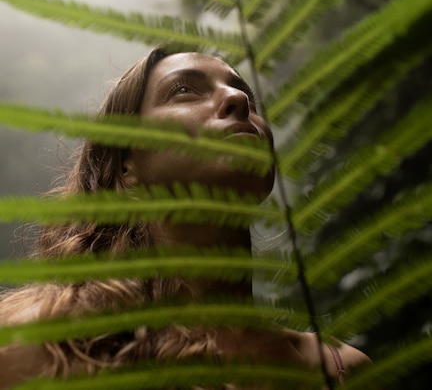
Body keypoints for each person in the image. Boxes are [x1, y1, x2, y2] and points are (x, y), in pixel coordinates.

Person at [0, 48, 371, 388]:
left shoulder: (343, 369)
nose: (238, 99)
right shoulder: (40, 345)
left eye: (246, 94)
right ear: (126, 165)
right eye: (183, 90)